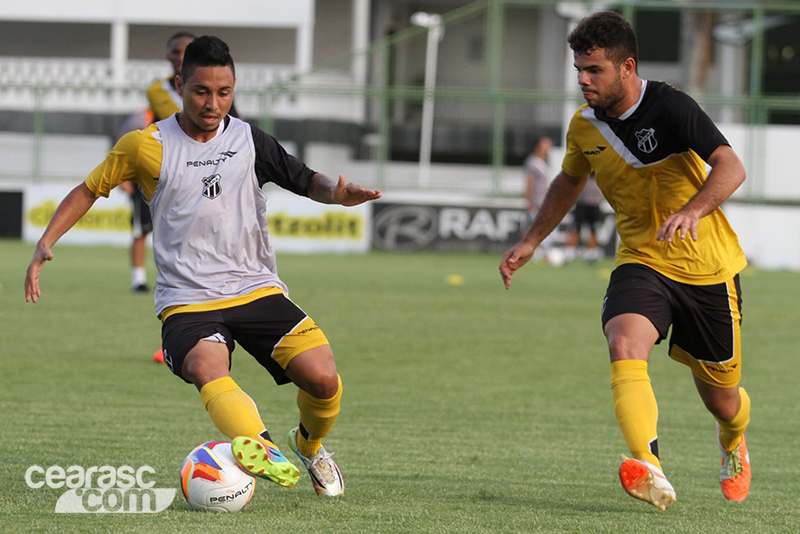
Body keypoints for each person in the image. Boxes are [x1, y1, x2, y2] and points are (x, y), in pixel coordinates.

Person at [25, 35, 381, 498]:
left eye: (224, 92)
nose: (213, 103)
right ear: (180, 85)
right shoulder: (144, 146)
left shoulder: (250, 140)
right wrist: (45, 242)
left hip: (256, 288)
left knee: (324, 378)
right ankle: (260, 447)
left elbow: (303, 178)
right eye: (201, 91)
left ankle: (309, 447)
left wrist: (337, 195)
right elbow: (88, 189)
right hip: (188, 299)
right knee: (205, 364)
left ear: (233, 89)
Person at [499, 12, 750, 511]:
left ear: (627, 66)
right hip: (641, 258)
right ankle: (648, 464)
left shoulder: (672, 106)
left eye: (594, 70)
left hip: (707, 267)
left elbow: (731, 165)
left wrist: (693, 210)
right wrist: (533, 239)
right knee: (624, 341)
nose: (583, 80)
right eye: (578, 70)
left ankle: (733, 439)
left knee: (722, 398)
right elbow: (569, 180)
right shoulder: (584, 126)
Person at [116, 109, 155, 292]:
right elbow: (122, 148)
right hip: (142, 184)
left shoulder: (180, 115)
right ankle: (138, 279)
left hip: (171, 182)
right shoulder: (141, 118)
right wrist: (122, 178)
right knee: (141, 230)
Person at [565, 173, 604, 264]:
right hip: (582, 203)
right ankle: (569, 253)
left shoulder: (599, 171)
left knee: (593, 230)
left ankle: (591, 254)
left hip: (595, 204)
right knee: (576, 228)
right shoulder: (583, 172)